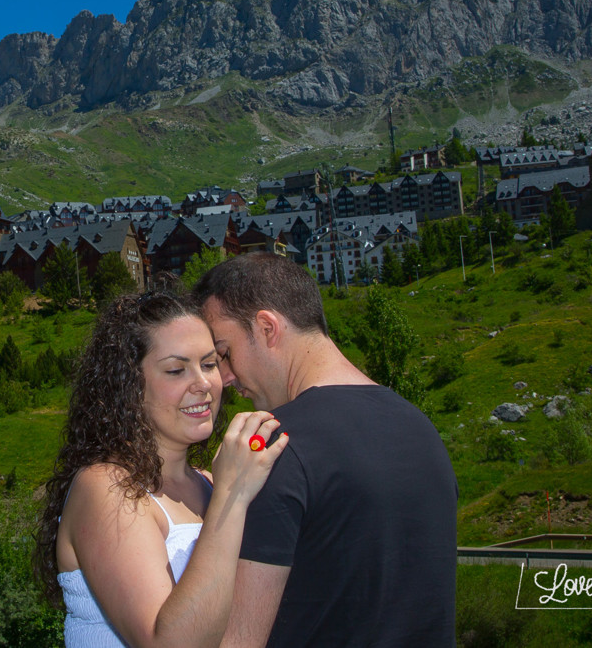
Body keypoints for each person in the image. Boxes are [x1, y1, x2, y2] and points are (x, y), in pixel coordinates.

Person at [193, 252, 458, 647]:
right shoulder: (421, 429)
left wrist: (225, 499)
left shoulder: (269, 448)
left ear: (267, 327)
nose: (226, 378)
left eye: (225, 353)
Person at [33, 290, 288, 648]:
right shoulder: (105, 488)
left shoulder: (211, 484)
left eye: (210, 363)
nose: (202, 384)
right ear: (128, 385)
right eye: (175, 369)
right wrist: (232, 497)